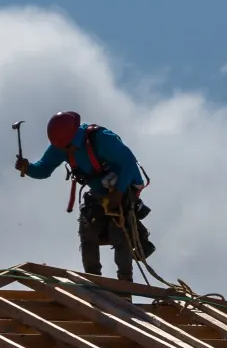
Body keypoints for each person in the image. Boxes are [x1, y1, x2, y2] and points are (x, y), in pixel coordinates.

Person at [15, 111, 155, 280]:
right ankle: (93, 281)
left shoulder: (101, 138)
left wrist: (118, 193)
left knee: (119, 230)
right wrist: (28, 168)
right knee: (88, 230)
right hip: (100, 191)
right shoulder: (61, 145)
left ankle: (125, 285)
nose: (67, 150)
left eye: (68, 146)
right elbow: (44, 169)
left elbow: (128, 163)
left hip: (125, 186)